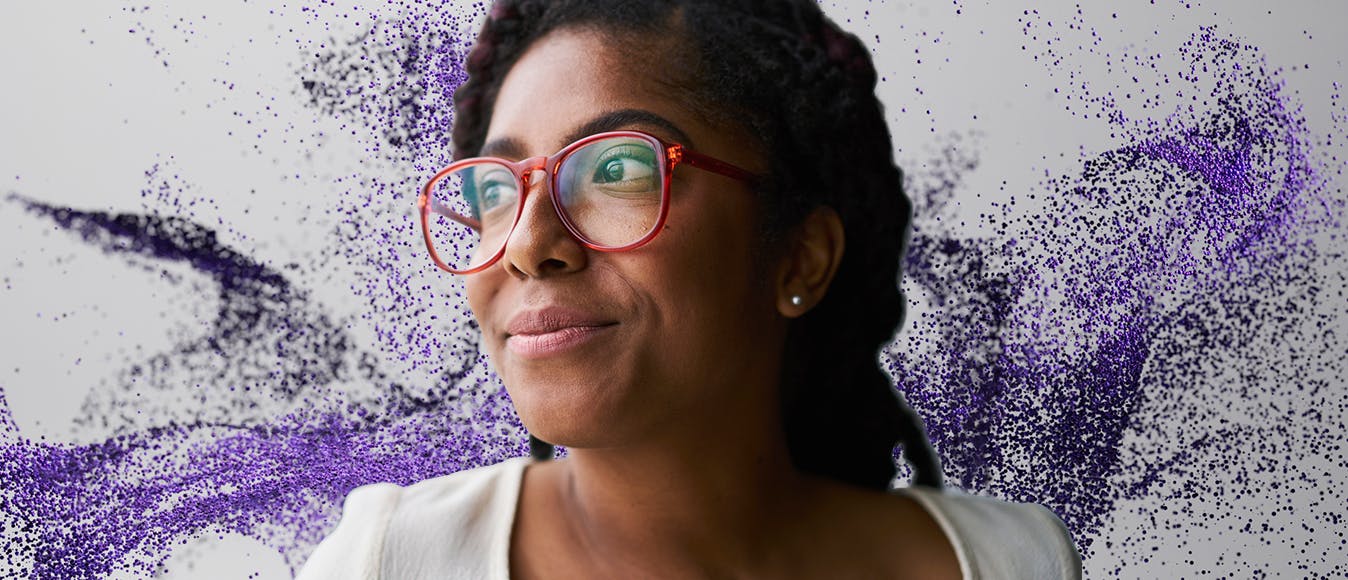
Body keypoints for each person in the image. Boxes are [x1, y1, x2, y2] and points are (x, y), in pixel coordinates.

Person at [299, 0, 1082, 578]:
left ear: (800, 260)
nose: (529, 246)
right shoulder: (390, 562)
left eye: (616, 170)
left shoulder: (1011, 562)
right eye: (495, 192)